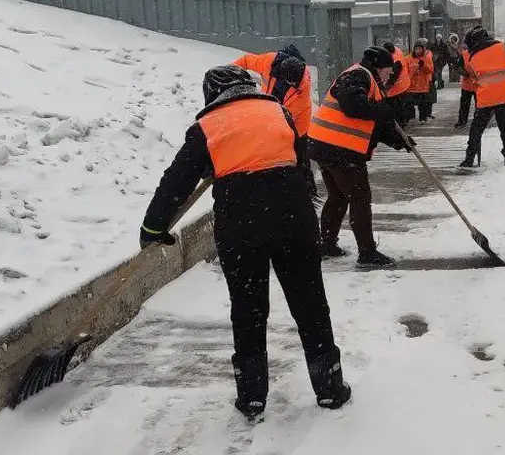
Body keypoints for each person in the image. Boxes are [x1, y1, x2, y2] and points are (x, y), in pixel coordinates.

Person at [139, 65, 350, 421]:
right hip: (293, 219)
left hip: (242, 227)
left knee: (249, 312)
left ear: (211, 94)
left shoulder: (205, 127)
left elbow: (174, 182)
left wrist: (152, 227)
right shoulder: (278, 112)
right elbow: (299, 160)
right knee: (310, 303)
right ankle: (329, 388)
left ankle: (252, 397)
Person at [308, 46, 415, 268]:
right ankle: (367, 253)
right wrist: (380, 109)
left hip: (325, 146)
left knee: (338, 196)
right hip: (339, 149)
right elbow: (353, 106)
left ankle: (326, 244)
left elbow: (375, 123)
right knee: (359, 197)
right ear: (378, 67)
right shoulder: (358, 75)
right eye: (387, 70)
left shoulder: (369, 82)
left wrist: (400, 141)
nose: (390, 75)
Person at [232, 45, 317, 201]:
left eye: (294, 83)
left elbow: (285, 119)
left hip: (298, 125)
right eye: (290, 82)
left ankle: (309, 195)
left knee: (300, 159)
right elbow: (245, 61)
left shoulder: (301, 91)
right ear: (282, 75)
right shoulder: (269, 61)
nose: (292, 84)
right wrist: (229, 75)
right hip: (271, 113)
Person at [457, 26, 505, 169]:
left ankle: (469, 158)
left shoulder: (473, 57)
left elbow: (471, 75)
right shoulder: (501, 47)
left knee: (476, 129)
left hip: (486, 98)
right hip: (504, 96)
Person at [405, 39, 435, 124]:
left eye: (419, 49)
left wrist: (423, 65)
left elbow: (430, 70)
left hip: (422, 86)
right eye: (416, 49)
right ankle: (410, 116)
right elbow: (405, 70)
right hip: (411, 86)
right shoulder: (408, 58)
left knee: (422, 104)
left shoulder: (426, 58)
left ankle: (423, 118)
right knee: (409, 103)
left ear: (423, 49)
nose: (417, 51)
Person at [383, 42, 411, 128]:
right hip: (404, 82)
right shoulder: (397, 51)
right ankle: (402, 122)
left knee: (396, 107)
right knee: (401, 105)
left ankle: (398, 124)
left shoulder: (395, 60)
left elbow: (393, 76)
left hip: (398, 86)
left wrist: (386, 88)